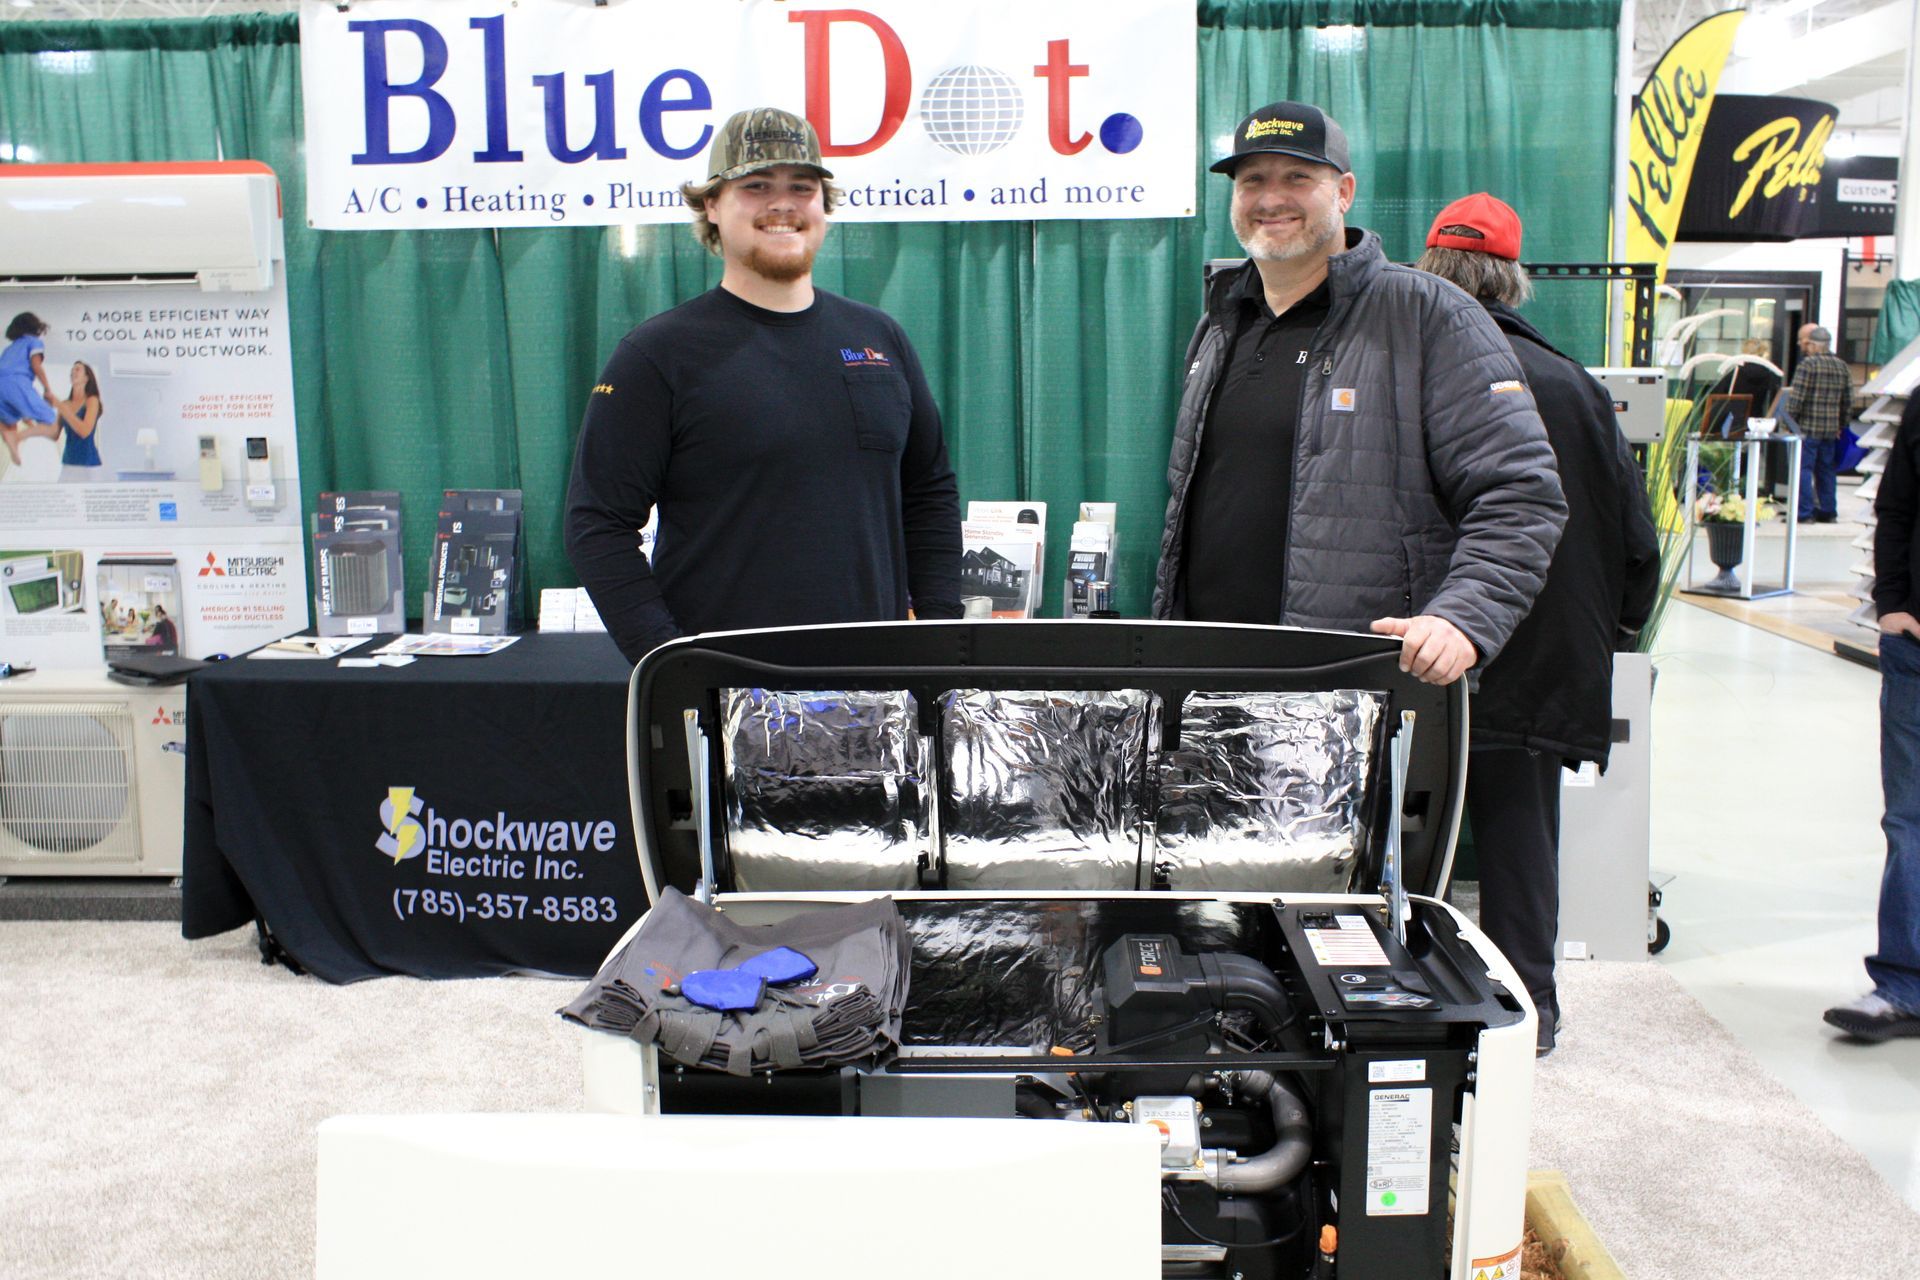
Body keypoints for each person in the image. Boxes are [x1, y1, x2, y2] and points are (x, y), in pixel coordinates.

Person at [1152, 102, 1567, 690]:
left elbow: (1520, 494)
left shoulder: (1430, 314)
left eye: (1298, 177)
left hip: (1354, 685)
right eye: (1252, 180)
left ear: (1344, 192)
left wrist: (1462, 619)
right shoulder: (1220, 325)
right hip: (1207, 674)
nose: (1271, 198)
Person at [565, 107, 962, 663]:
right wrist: (671, 662)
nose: (782, 204)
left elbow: (928, 493)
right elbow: (597, 524)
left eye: (802, 186)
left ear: (823, 204)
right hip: (728, 690)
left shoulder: (880, 338)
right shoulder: (657, 355)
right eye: (756, 186)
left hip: (875, 684)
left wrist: (938, 637)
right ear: (712, 204)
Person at [1415, 193, 1661, 1055]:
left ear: (1428, 269)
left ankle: (1396, 1002)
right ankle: (1530, 1014)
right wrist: (1613, 637)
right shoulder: (1576, 386)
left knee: (1402, 837)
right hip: (1542, 653)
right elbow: (1636, 541)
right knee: (1521, 841)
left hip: (1419, 644)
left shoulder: (1407, 366)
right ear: (1514, 278)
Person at [1824, 392, 1920, 1041]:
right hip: (1915, 646)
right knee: (1909, 820)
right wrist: (1891, 603)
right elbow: (1897, 506)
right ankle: (1902, 985)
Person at [1783, 324, 1855, 523]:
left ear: (1814, 345)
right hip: (1830, 430)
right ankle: (1828, 511)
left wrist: (1787, 421)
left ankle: (1804, 512)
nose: (1805, 348)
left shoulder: (1808, 365)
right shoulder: (1842, 366)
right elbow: (1848, 400)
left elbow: (1797, 398)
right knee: (1826, 470)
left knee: (1803, 470)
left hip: (1807, 428)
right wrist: (1841, 425)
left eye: (1808, 344)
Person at [0, 312, 61, 466]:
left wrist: (31, 423)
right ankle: (17, 438)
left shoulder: (9, 349)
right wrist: (47, 390)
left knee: (8, 422)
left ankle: (11, 439)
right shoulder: (34, 342)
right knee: (53, 425)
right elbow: (36, 366)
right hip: (17, 382)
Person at [56, 361, 104, 482]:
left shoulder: (92, 401)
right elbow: (54, 434)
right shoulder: (64, 404)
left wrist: (64, 410)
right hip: (68, 463)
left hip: (88, 464)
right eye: (72, 370)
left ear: (86, 378)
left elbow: (84, 431)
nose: (73, 371)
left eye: (77, 369)